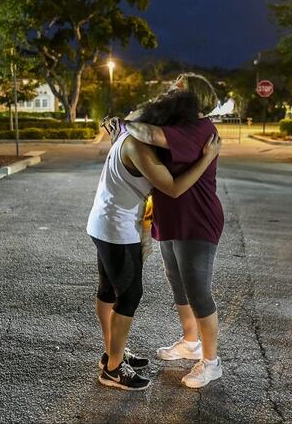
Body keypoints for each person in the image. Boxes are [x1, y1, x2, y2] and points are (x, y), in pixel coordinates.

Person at [87, 94, 221, 391]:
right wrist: (207, 158)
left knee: (108, 291)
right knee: (129, 295)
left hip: (102, 222)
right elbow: (173, 188)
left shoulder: (123, 136)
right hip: (118, 229)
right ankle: (112, 369)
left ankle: (113, 353)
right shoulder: (138, 146)